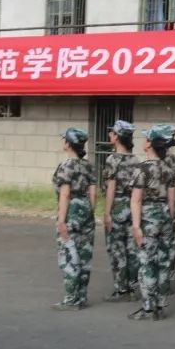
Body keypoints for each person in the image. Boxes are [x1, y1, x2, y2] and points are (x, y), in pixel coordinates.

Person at [128, 125, 175, 321]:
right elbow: (172, 199)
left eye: (146, 138)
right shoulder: (168, 168)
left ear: (150, 144)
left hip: (148, 217)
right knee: (163, 262)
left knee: (147, 262)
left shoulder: (142, 169)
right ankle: (160, 304)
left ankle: (149, 308)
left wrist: (136, 226)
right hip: (165, 215)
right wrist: (170, 220)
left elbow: (136, 200)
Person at [51, 128, 97, 311]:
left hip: (71, 209)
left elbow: (65, 194)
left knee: (69, 254)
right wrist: (89, 212)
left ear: (69, 144)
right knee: (84, 255)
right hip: (86, 208)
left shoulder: (66, 166)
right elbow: (93, 192)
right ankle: (82, 296)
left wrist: (62, 220)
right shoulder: (87, 165)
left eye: (64, 139)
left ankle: (71, 299)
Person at [102, 120, 139, 302]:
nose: (110, 135)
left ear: (117, 137)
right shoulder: (136, 160)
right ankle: (132, 287)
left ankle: (121, 289)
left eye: (112, 133)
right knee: (132, 250)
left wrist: (107, 213)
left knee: (117, 250)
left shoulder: (112, 160)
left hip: (118, 206)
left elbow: (111, 188)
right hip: (133, 207)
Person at [159, 130, 175, 294]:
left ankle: (162, 276)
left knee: (162, 242)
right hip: (171, 204)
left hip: (162, 204)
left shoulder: (160, 159)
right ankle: (170, 271)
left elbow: (173, 186)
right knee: (171, 241)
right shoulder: (173, 159)